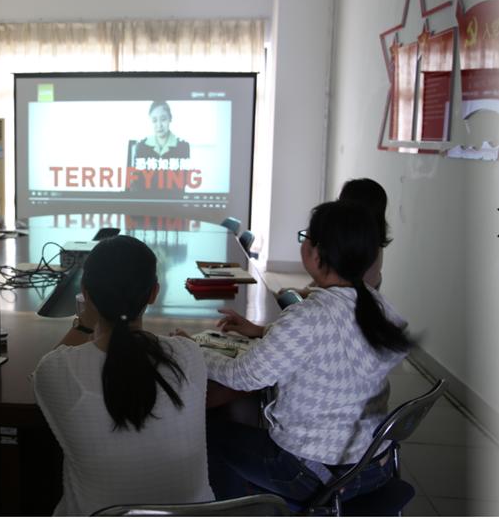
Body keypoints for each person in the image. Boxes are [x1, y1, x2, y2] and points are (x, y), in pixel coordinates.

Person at [192, 200, 410, 504]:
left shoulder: (309, 317)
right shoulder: (378, 307)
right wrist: (265, 331)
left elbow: (244, 376)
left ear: (317, 253)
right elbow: (332, 340)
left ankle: (236, 509)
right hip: (372, 465)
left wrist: (194, 351)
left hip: (313, 474)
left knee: (205, 433)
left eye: (306, 236)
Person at [32, 236, 214, 515]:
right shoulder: (189, 355)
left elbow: (39, 380)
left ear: (85, 294)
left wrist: (84, 325)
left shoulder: (56, 371)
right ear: (154, 293)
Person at [279, 177, 390, 299]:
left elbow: (339, 292)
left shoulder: (363, 253)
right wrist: (304, 291)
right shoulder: (363, 243)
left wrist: (303, 294)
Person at [127, 100, 192, 197]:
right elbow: (136, 183)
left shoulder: (182, 147)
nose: (159, 125)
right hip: (146, 202)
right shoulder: (141, 147)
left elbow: (181, 184)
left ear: (170, 119)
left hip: (172, 203)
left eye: (163, 119)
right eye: (154, 120)